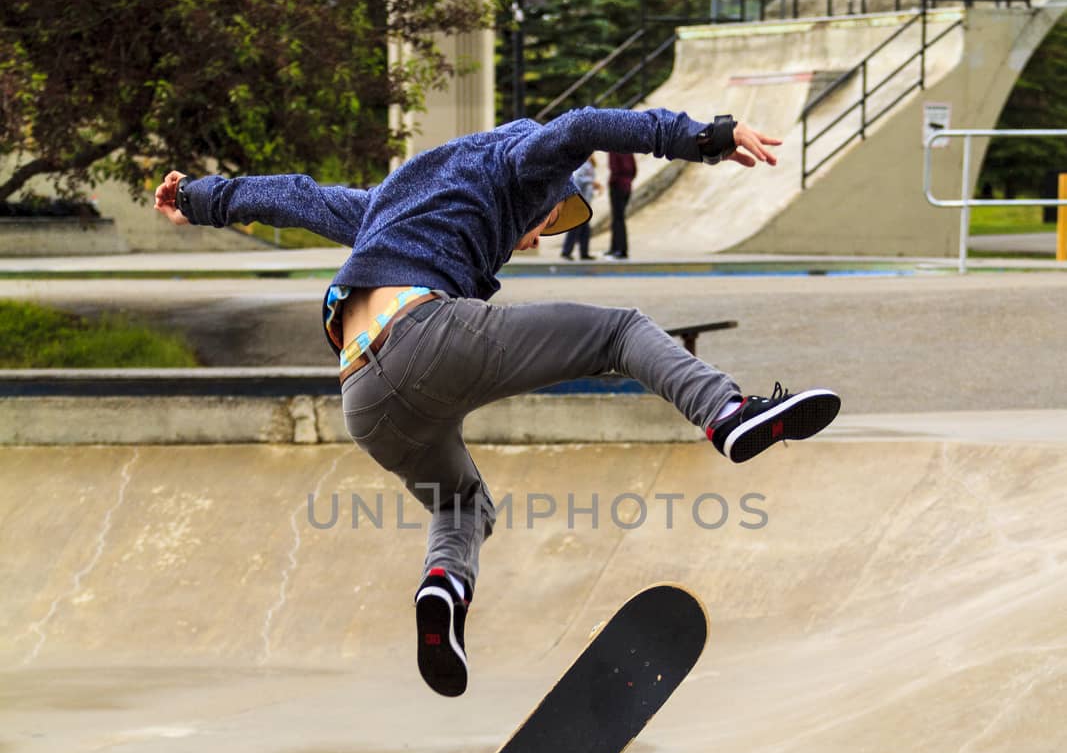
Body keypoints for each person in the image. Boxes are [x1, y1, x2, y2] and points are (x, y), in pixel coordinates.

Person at [155, 106, 840, 698]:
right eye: (550, 218)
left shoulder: (389, 202)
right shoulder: (517, 158)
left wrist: (195, 199)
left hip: (363, 396)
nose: (539, 236)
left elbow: (290, 197)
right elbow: (583, 127)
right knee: (618, 329)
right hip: (423, 336)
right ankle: (728, 414)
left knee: (460, 504)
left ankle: (442, 592)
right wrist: (708, 137)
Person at [561, 154, 600, 259]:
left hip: (585, 201)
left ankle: (580, 252)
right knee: (577, 227)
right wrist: (592, 183)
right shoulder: (583, 164)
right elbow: (578, 179)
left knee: (583, 229)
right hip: (582, 202)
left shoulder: (589, 164)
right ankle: (568, 251)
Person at [606, 148, 636, 257]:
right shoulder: (629, 151)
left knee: (618, 219)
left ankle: (620, 249)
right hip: (627, 186)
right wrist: (627, 180)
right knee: (619, 218)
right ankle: (615, 247)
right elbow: (634, 170)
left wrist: (613, 181)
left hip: (617, 186)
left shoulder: (613, 150)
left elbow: (614, 168)